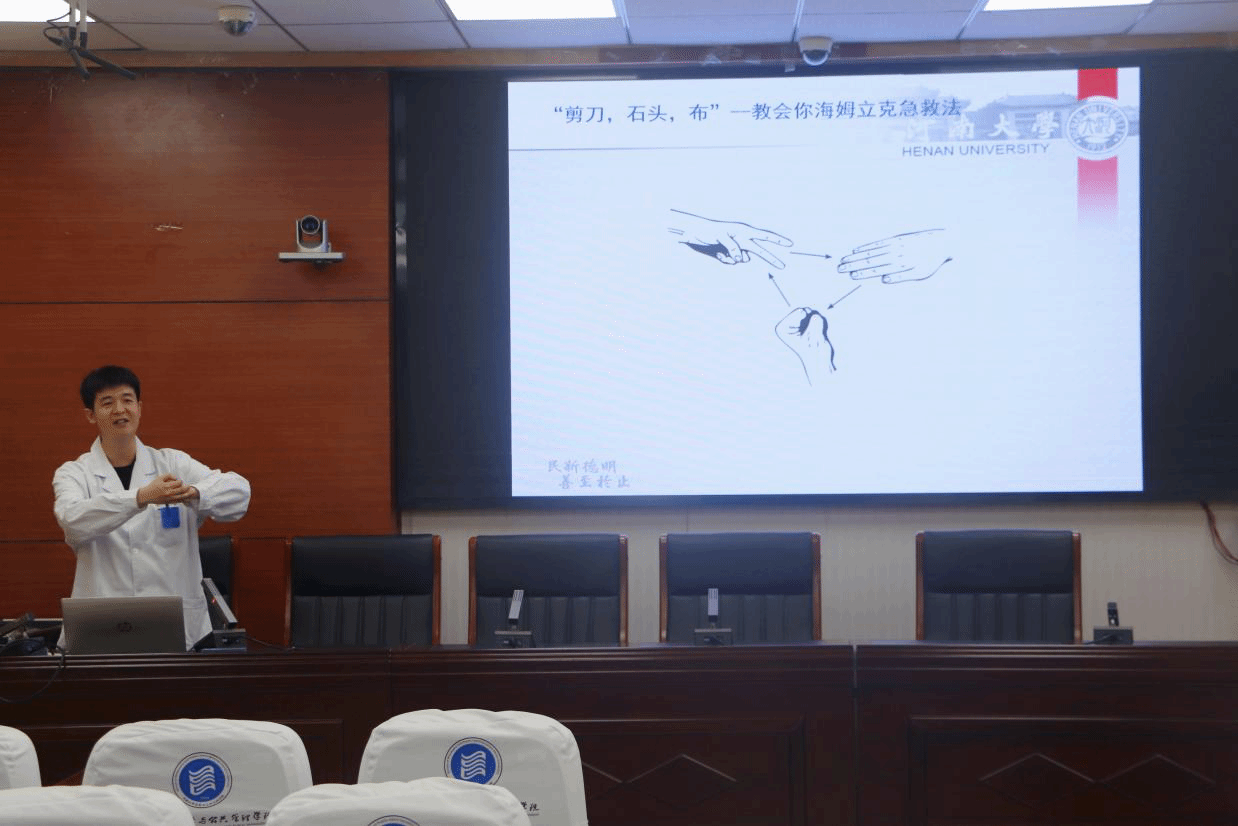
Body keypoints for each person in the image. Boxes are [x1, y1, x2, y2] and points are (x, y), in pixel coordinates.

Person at [52, 366, 251, 651]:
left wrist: (195, 493)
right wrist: (142, 497)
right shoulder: (73, 473)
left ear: (139, 407)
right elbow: (72, 519)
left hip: (177, 627)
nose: (119, 409)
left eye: (127, 399)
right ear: (90, 415)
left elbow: (239, 493)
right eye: (107, 402)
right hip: (103, 625)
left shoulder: (173, 463)